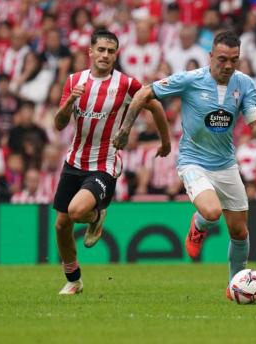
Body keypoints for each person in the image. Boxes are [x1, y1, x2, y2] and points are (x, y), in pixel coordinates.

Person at [113, 31, 256, 296]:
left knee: (240, 232)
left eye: (234, 59)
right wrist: (125, 129)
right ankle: (198, 226)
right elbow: (143, 94)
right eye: (222, 59)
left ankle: (235, 286)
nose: (228, 65)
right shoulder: (190, 80)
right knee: (211, 212)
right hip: (193, 161)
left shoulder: (244, 84)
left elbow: (255, 126)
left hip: (226, 164)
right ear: (210, 57)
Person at [53, 29, 171, 295]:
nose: (105, 55)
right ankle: (74, 280)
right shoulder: (74, 81)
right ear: (91, 52)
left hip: (104, 163)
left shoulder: (126, 84)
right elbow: (59, 124)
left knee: (75, 211)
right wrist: (70, 101)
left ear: (116, 55)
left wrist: (165, 141)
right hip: (74, 160)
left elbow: (155, 106)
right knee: (61, 225)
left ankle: (96, 214)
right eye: (101, 50)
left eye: (111, 51)